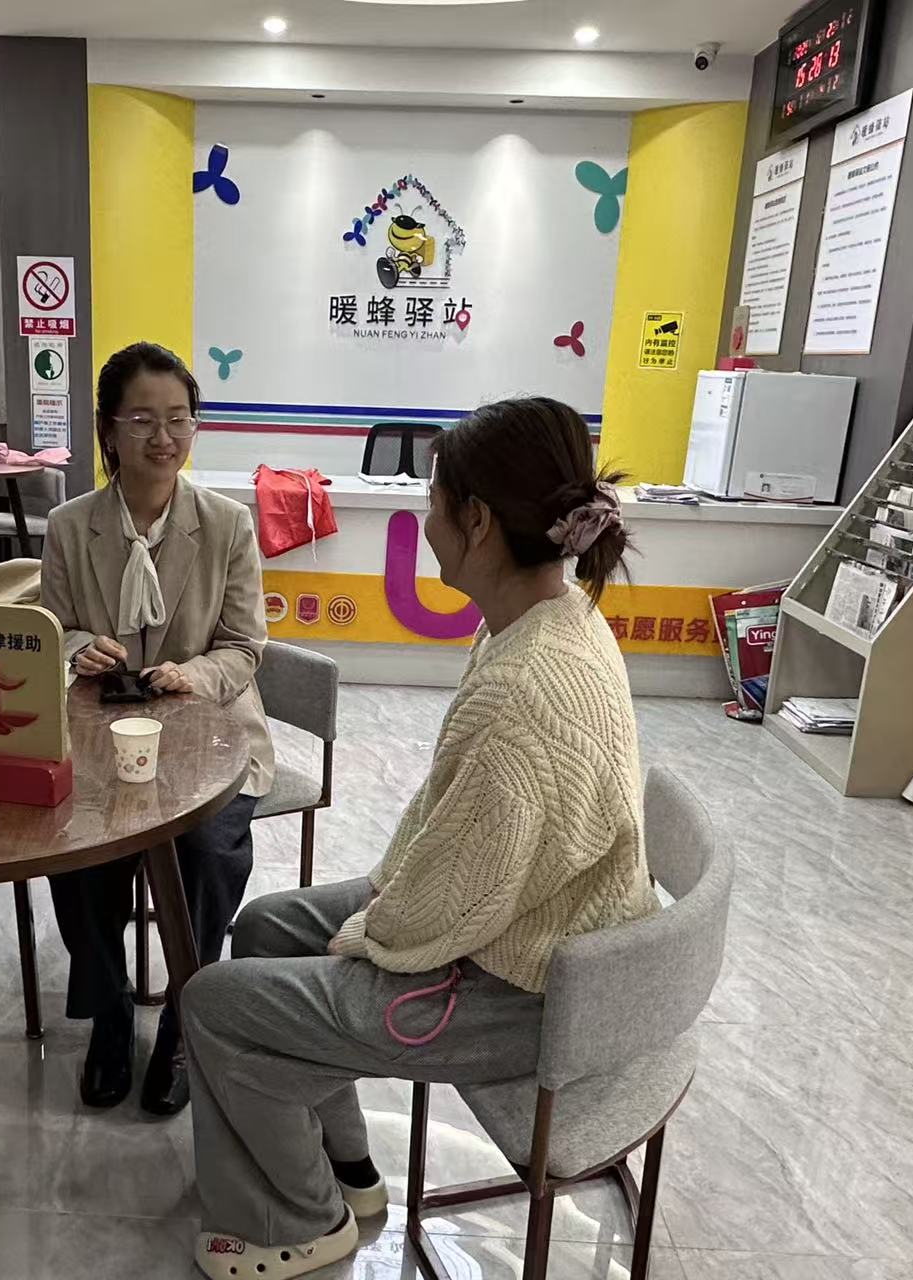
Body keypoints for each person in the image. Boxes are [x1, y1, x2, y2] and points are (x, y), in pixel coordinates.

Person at [179, 397, 660, 1280]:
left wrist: (364, 932)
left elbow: (443, 911)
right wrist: (375, 910)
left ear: (475, 522)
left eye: (433, 501)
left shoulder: (523, 692)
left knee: (213, 1002)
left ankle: (302, 1220)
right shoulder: (554, 617)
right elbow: (457, 840)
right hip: (535, 932)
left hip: (524, 992)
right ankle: (348, 1171)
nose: (424, 520)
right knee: (265, 929)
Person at [42, 341, 274, 1117]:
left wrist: (192, 676)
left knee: (207, 850)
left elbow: (243, 645)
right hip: (100, 738)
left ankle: (182, 1016)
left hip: (210, 736)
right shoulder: (70, 525)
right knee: (76, 852)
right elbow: (55, 628)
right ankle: (110, 1013)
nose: (163, 437)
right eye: (142, 419)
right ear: (108, 429)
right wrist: (82, 648)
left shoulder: (226, 524)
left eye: (179, 419)